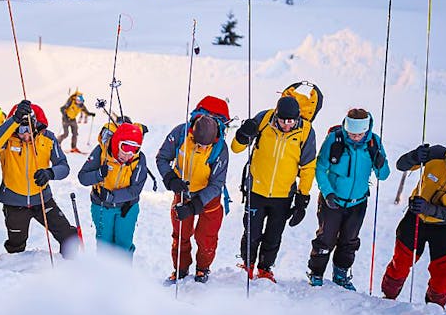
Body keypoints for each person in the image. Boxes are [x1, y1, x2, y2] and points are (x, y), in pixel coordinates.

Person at [381, 141, 446, 308]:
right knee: (401, 262)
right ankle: (387, 296)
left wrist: (429, 209)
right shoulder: (436, 154)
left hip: (444, 225)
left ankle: (435, 309)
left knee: (445, 271)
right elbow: (401, 165)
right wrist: (415, 156)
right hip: (415, 218)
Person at [232, 95, 317, 283]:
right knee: (251, 232)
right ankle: (247, 264)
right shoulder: (263, 120)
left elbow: (308, 167)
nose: (287, 125)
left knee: (273, 235)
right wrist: (242, 134)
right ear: (276, 115)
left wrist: (303, 198)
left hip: (283, 195)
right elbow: (236, 148)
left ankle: (265, 269)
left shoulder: (306, 131)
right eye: (282, 120)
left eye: (291, 121)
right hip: (256, 190)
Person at [306, 108, 390, 289]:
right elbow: (320, 169)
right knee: (325, 239)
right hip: (332, 201)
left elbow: (383, 175)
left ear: (366, 130)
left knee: (349, 241)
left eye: (359, 134)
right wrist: (328, 193)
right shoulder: (334, 139)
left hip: (358, 203)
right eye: (351, 133)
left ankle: (341, 275)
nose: (355, 137)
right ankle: (316, 273)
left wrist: (380, 162)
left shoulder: (374, 142)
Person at [0, 99, 79, 257]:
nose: (24, 133)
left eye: (28, 128)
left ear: (36, 125)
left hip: (42, 200)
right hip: (14, 202)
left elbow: (64, 167)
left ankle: (68, 269)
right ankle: (13, 277)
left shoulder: (47, 138)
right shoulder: (7, 139)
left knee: (68, 236)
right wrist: (14, 120)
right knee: (16, 246)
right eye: (20, 128)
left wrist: (50, 173)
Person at [156, 96, 230, 283]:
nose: (201, 147)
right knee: (181, 234)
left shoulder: (220, 149)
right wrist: (171, 179)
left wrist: (196, 204)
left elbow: (217, 183)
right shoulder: (180, 134)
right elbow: (162, 158)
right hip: (183, 192)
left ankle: (202, 269)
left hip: (208, 197)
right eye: (198, 143)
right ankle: (180, 269)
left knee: (207, 237)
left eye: (206, 145)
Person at [77, 122, 148, 259]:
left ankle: (123, 276)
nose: (128, 155)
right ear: (117, 142)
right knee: (105, 246)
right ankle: (105, 277)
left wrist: (111, 196)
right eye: (125, 147)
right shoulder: (101, 152)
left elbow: (135, 190)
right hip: (102, 207)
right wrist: (98, 174)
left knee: (123, 246)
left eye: (134, 149)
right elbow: (83, 178)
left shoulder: (138, 160)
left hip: (127, 208)